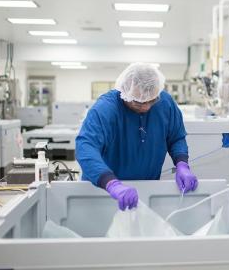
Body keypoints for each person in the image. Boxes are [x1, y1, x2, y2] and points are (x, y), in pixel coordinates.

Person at [76, 63, 198, 211]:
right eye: (138, 102)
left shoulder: (165, 103)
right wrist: (111, 183)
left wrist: (182, 164)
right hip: (104, 190)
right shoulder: (105, 109)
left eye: (150, 101)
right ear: (125, 91)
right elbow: (86, 147)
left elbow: (176, 137)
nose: (145, 106)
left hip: (147, 189)